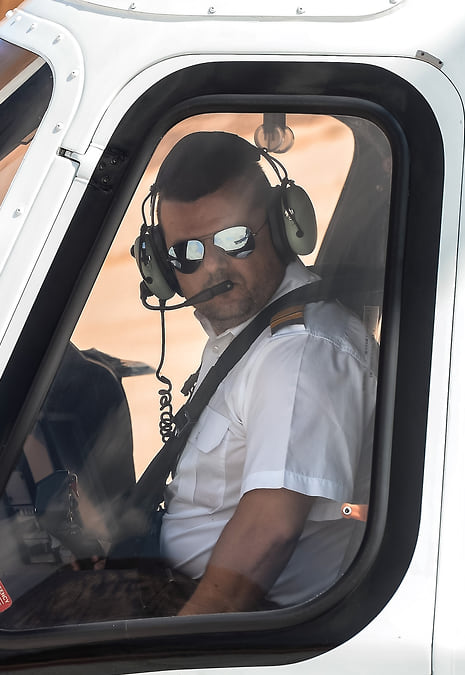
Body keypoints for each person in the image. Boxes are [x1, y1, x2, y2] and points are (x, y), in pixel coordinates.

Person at [148, 131, 377, 614]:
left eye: (235, 240)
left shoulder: (297, 354)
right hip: (178, 589)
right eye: (187, 253)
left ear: (280, 225)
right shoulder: (250, 335)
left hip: (232, 618)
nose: (213, 268)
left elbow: (268, 534)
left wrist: (173, 645)